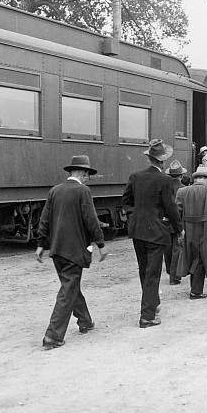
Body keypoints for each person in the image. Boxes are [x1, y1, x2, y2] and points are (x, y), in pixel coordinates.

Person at [36, 155, 107, 349]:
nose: (88, 179)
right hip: (74, 251)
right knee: (68, 290)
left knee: (70, 285)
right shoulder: (83, 191)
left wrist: (41, 244)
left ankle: (85, 321)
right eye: (88, 175)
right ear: (82, 173)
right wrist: (101, 244)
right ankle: (53, 336)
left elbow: (45, 219)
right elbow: (91, 220)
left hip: (57, 250)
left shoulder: (55, 190)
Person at [122, 139, 181, 328]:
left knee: (143, 270)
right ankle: (147, 316)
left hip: (137, 230)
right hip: (156, 231)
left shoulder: (135, 176)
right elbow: (171, 207)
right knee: (153, 273)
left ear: (149, 158)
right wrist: (178, 229)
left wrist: (136, 216)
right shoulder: (165, 180)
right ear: (162, 161)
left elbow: (125, 201)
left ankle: (152, 305)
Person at [175, 165, 207, 298]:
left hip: (187, 227)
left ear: (195, 179)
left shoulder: (182, 191)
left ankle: (194, 288)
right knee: (201, 258)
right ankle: (196, 291)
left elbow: (177, 212)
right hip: (205, 228)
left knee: (190, 256)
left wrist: (180, 229)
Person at [164, 159, 187, 285]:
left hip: (165, 222)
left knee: (167, 249)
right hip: (179, 222)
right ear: (181, 175)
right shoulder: (184, 189)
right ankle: (174, 276)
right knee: (177, 249)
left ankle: (169, 271)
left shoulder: (164, 187)